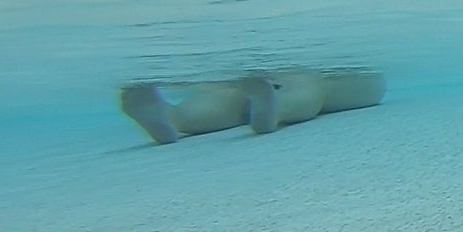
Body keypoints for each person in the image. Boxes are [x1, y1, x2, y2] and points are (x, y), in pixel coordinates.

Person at [118, 69, 386, 144]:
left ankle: (173, 118)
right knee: (311, 86)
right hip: (301, 73)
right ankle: (274, 111)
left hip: (242, 75)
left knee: (224, 95)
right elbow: (374, 86)